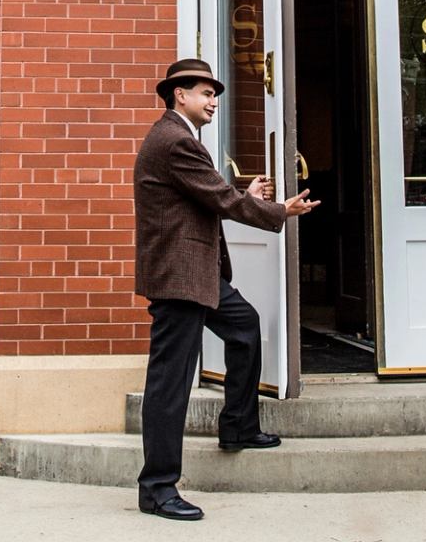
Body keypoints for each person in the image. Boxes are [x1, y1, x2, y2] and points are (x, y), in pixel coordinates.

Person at [133, 57, 319, 521]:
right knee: (169, 385)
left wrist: (245, 197)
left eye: (215, 94)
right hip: (180, 278)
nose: (214, 100)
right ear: (180, 94)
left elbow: (208, 194)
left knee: (244, 327)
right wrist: (278, 211)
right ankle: (156, 487)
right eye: (205, 92)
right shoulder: (175, 140)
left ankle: (237, 426)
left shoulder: (181, 140)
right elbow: (218, 198)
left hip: (196, 272)